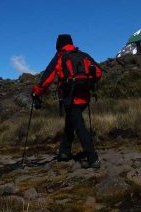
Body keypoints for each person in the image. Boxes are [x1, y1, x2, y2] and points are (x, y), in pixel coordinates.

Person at [32, 34, 103, 168]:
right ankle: (65, 152)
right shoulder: (84, 55)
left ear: (59, 46)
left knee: (79, 127)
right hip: (85, 96)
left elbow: (47, 78)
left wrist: (36, 92)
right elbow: (98, 72)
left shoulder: (60, 57)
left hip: (70, 98)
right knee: (70, 122)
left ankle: (92, 159)